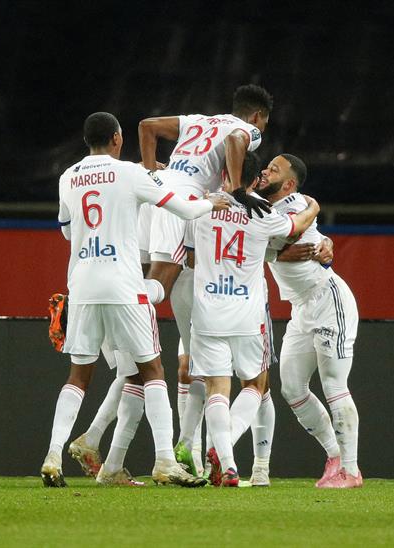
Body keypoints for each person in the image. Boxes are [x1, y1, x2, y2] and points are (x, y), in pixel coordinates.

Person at [41, 112, 229, 488]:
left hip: (81, 285)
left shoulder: (68, 177)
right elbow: (186, 209)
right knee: (152, 370)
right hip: (125, 286)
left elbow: (65, 231)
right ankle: (164, 461)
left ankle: (52, 456)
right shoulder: (130, 174)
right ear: (116, 139)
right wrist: (212, 200)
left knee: (78, 377)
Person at [137, 85, 274, 466]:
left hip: (156, 192)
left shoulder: (197, 120)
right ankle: (125, 301)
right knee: (161, 285)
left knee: (189, 350)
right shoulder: (246, 130)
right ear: (258, 117)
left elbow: (147, 126)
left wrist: (150, 167)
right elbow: (234, 138)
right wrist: (232, 185)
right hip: (184, 203)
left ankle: (188, 447)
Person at [182, 151, 319, 486]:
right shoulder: (264, 212)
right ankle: (227, 448)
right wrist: (314, 207)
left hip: (207, 308)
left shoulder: (201, 205)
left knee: (216, 385)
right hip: (247, 311)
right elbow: (296, 226)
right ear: (256, 177)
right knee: (256, 386)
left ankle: (227, 464)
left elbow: (188, 260)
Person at [257, 154, 363, 488]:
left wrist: (277, 249)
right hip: (302, 308)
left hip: (329, 299)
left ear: (288, 184)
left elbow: (285, 235)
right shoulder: (270, 204)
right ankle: (334, 457)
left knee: (333, 383)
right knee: (291, 386)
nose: (265, 171)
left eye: (274, 169)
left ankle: (351, 469)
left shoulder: (294, 205)